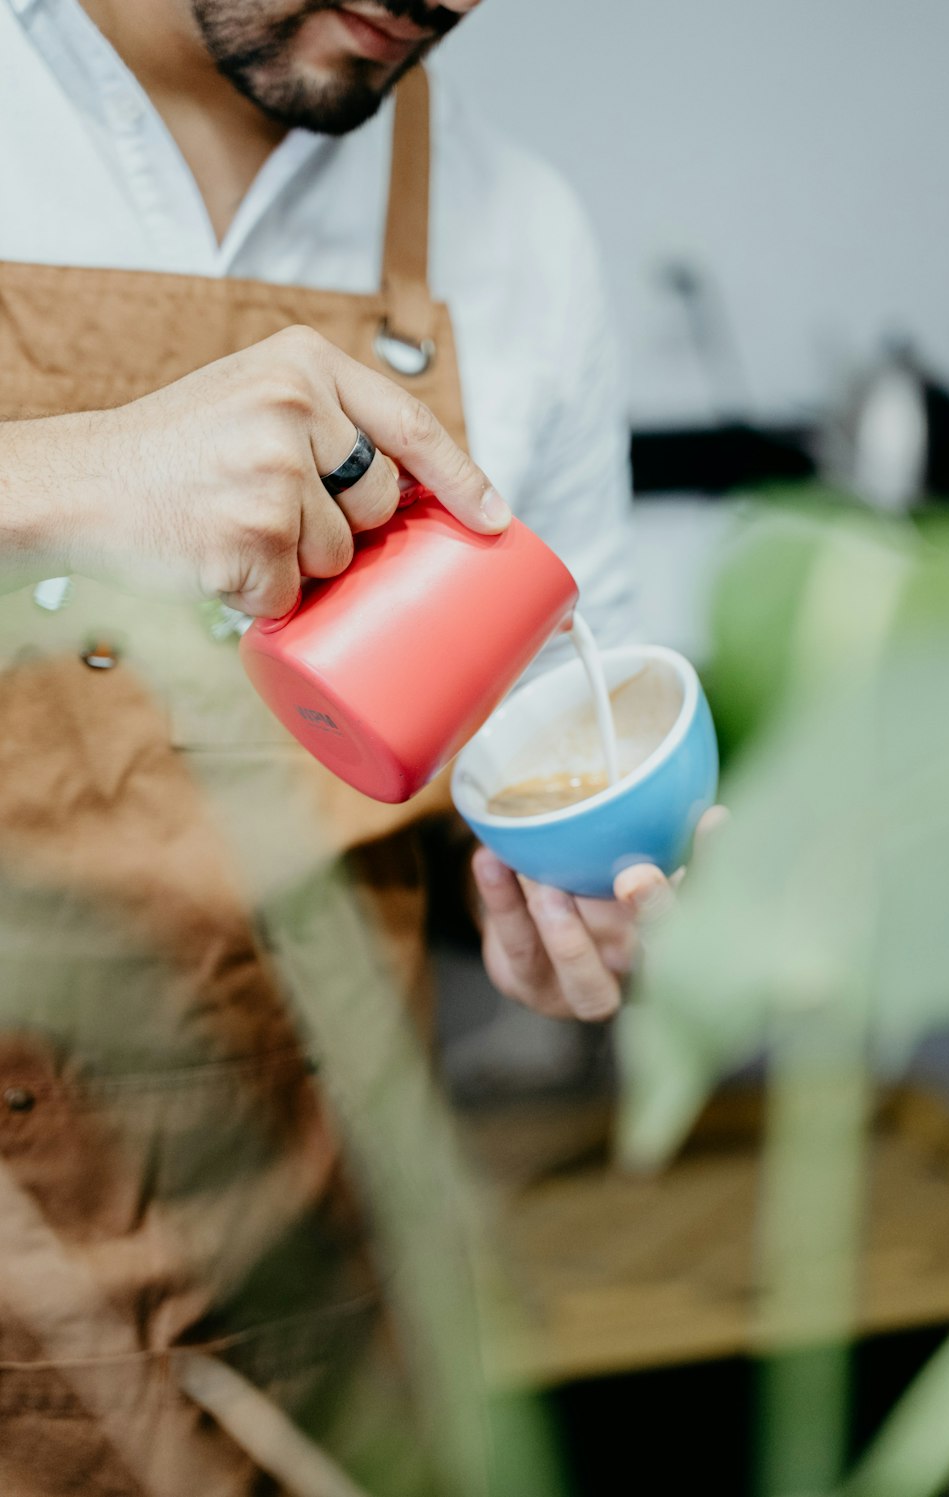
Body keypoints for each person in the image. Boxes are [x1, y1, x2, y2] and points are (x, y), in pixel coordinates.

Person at [0, 2, 678, 1491]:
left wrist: (575, 896)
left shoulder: (520, 238)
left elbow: (573, 701)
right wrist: (69, 471)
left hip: (332, 1332)